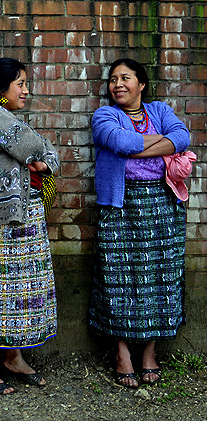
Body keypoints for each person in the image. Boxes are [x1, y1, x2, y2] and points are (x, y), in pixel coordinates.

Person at [88, 58, 190, 388]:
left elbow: (182, 137)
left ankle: (149, 353)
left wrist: (136, 148)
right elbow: (119, 143)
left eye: (125, 78)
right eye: (113, 79)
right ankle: (122, 354)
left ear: (141, 84)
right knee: (116, 277)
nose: (117, 84)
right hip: (120, 205)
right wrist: (158, 143)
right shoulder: (104, 116)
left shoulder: (159, 110)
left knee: (161, 277)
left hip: (162, 205)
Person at [0, 58, 59, 394]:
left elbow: (47, 154)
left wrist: (43, 163)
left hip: (17, 217)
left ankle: (12, 358)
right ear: (0, 86)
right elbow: (34, 146)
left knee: (18, 292)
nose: (26, 90)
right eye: (20, 83)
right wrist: (40, 159)